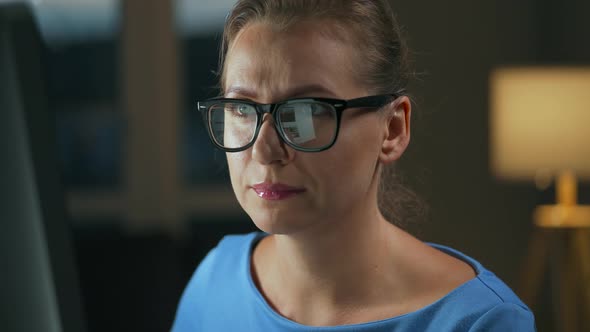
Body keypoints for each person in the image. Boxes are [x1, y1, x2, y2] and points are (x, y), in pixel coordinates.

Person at [172, 0, 536, 330]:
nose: (266, 150)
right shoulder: (214, 281)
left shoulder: (479, 322)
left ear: (392, 129)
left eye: (308, 111)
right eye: (241, 108)